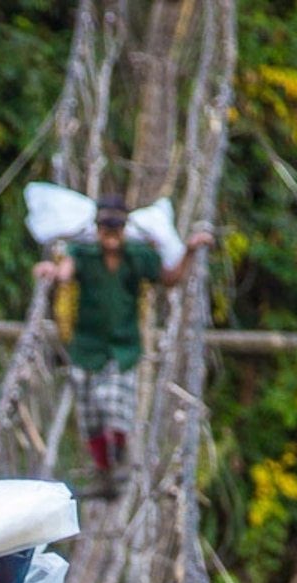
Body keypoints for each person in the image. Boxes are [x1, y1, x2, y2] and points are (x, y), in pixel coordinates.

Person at [34, 196, 214, 494]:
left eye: (116, 225)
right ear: (97, 226)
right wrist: (50, 272)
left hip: (122, 347)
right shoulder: (82, 253)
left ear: (125, 226)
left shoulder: (137, 256)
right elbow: (64, 273)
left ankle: (118, 463)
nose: (111, 232)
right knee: (91, 417)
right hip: (86, 347)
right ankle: (105, 473)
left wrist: (190, 251)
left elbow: (170, 278)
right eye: (105, 225)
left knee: (114, 407)